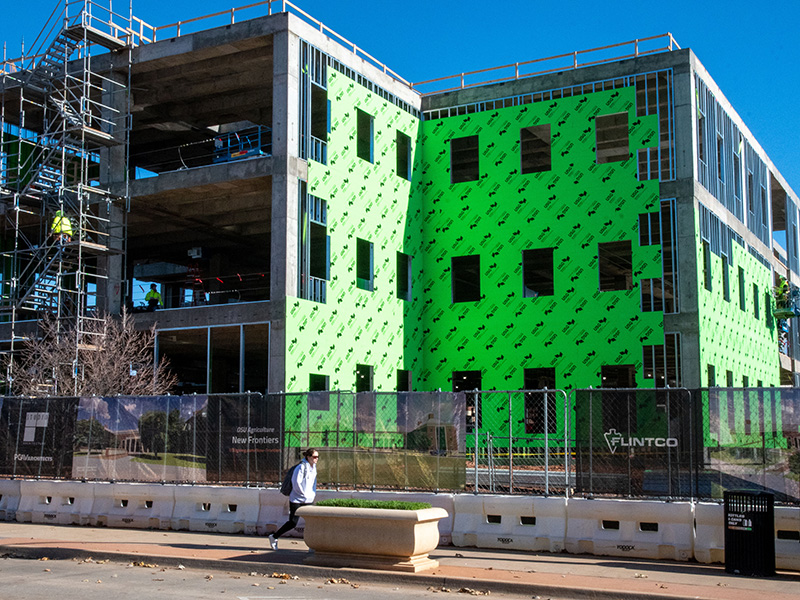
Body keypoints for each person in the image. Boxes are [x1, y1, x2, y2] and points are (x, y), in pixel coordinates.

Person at [269, 448, 318, 550]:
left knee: (311, 522)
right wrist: (303, 494)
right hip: (297, 499)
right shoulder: (301, 467)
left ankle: (311, 545)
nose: (316, 459)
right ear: (308, 457)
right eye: (314, 457)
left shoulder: (314, 468)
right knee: (293, 523)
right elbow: (296, 483)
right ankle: (274, 537)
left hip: (309, 499)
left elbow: (313, 483)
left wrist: (312, 494)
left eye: (317, 457)